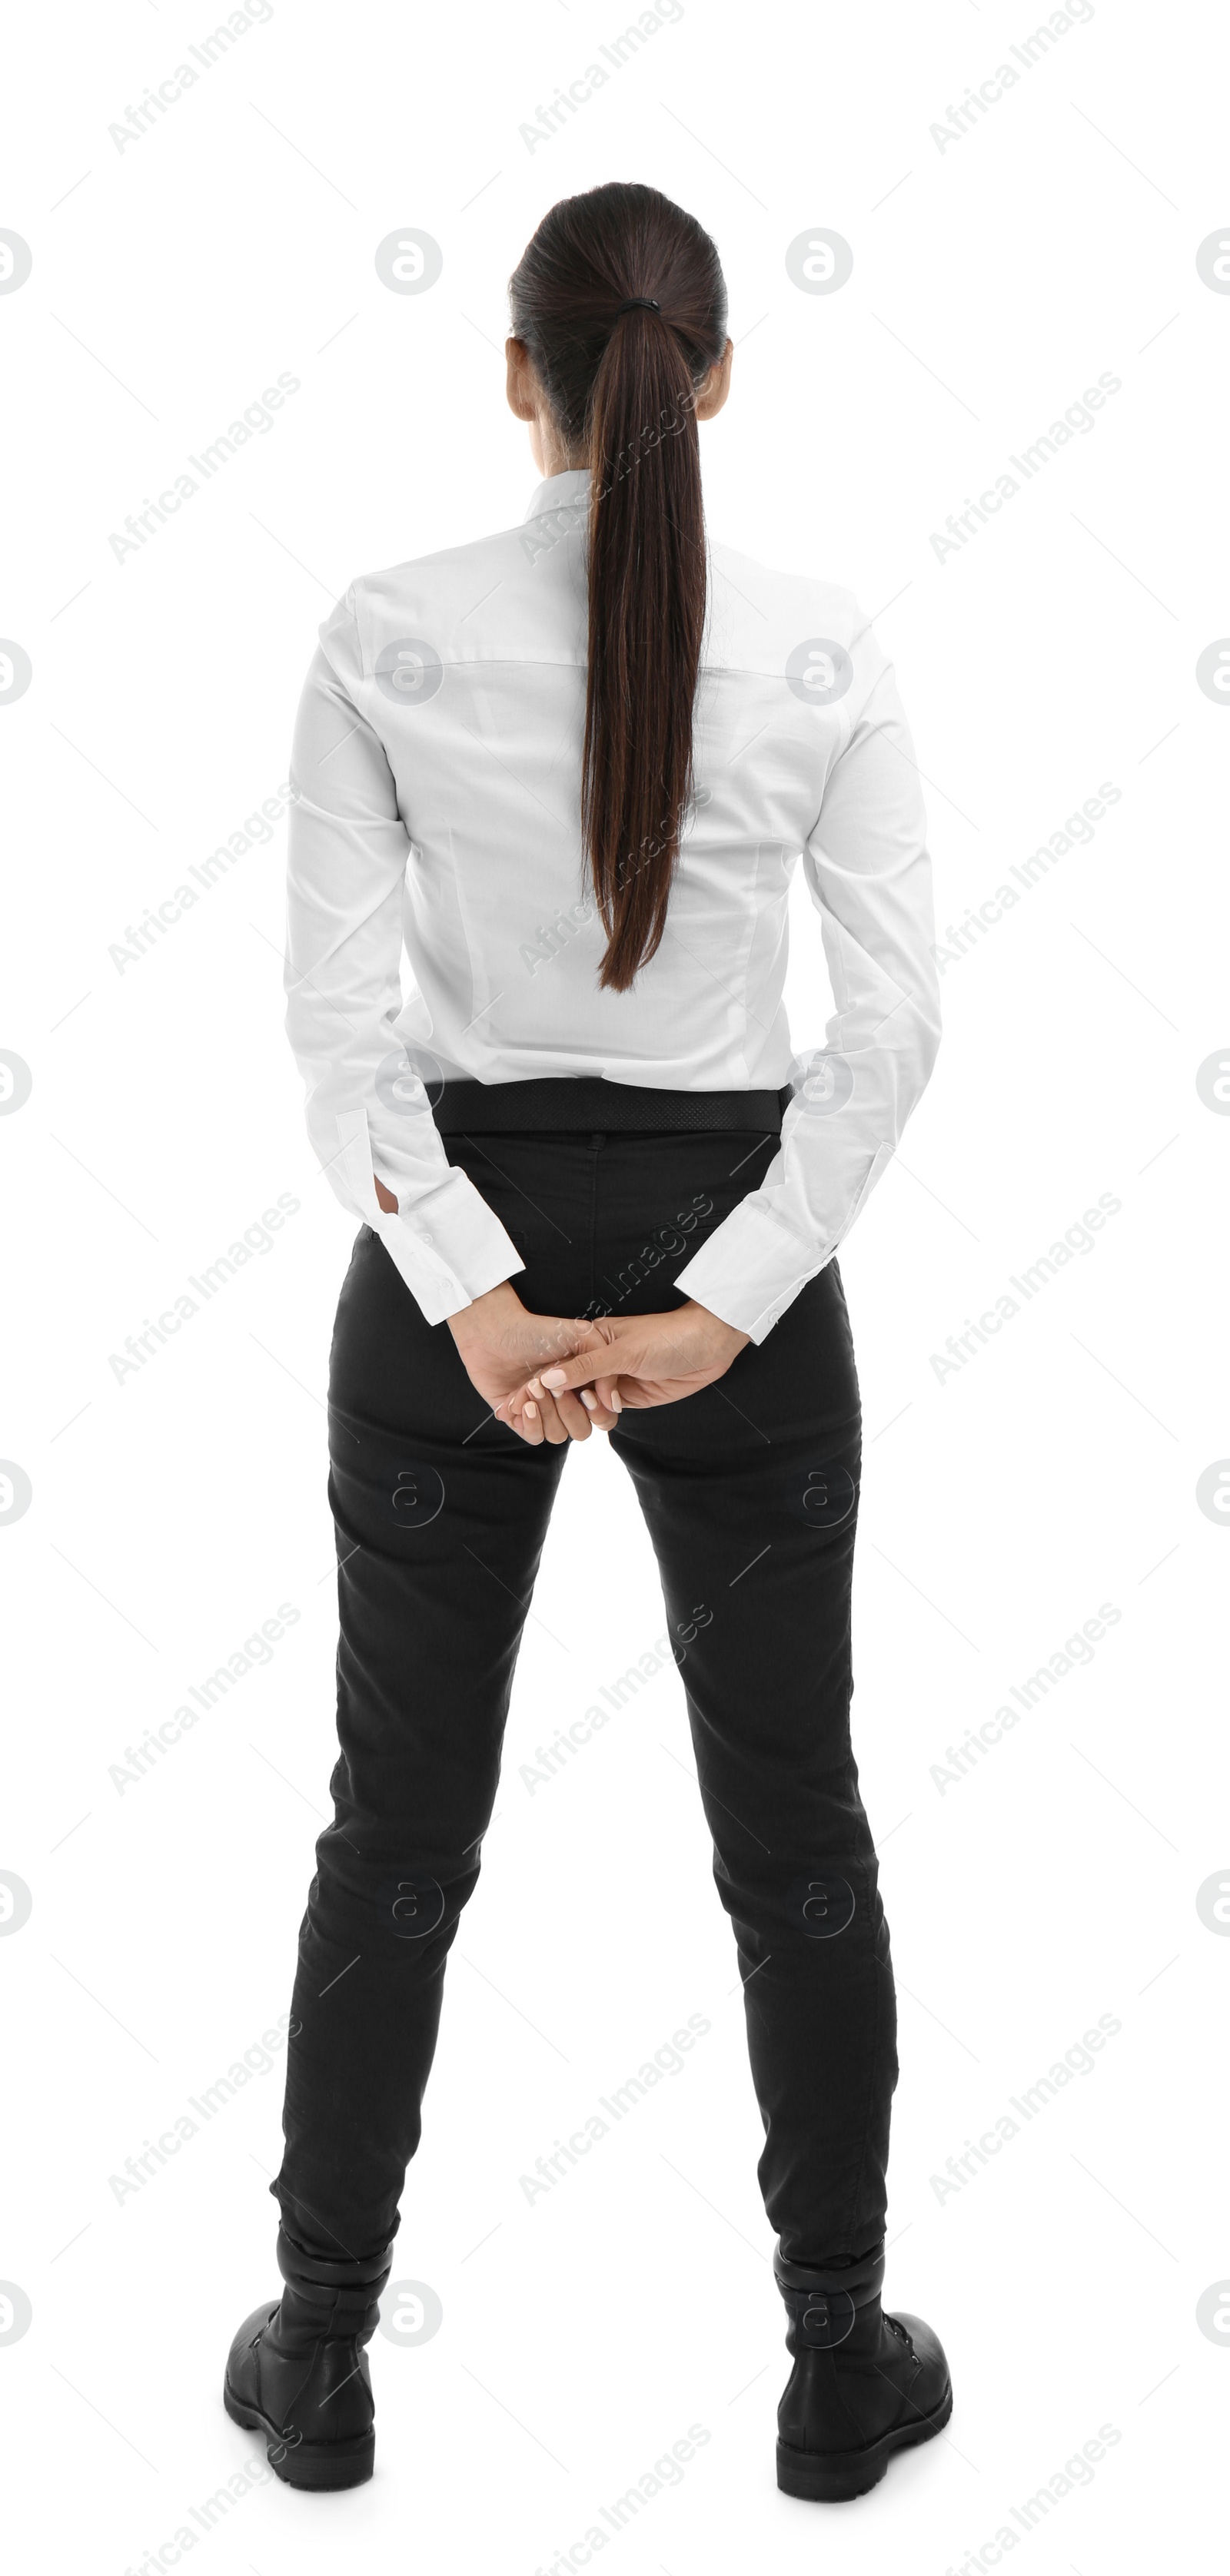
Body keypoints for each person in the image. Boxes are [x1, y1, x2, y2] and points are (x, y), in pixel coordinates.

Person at [223, 178, 949, 2504]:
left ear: (516, 380)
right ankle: (840, 2366)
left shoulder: (385, 630)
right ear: (716, 377)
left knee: (396, 1831)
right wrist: (727, 1301)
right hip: (741, 1251)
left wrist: (484, 1296)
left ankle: (321, 2353)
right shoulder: (824, 644)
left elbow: (342, 1043)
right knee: (796, 1831)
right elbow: (897, 1027)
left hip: (463, 1266)